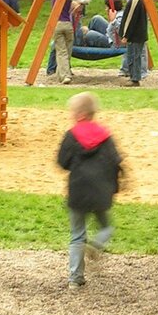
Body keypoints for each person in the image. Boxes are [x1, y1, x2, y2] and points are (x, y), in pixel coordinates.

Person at [56, 92, 123, 290]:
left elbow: (62, 162)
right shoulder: (106, 135)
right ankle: (96, 244)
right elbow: (115, 161)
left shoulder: (71, 134)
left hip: (78, 189)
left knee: (77, 235)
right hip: (101, 190)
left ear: (80, 114)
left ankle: (75, 279)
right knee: (106, 227)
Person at [48, 0, 97, 84]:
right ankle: (65, 75)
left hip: (57, 25)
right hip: (67, 25)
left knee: (61, 51)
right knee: (67, 51)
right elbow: (86, 0)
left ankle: (62, 74)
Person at [120, 0, 148, 87]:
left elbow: (129, 19)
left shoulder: (135, 1)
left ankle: (135, 78)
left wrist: (125, 35)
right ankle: (134, 77)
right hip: (140, 34)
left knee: (133, 56)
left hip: (134, 36)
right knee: (136, 56)